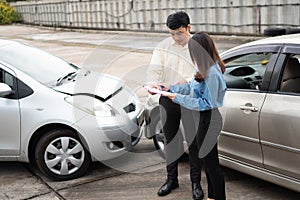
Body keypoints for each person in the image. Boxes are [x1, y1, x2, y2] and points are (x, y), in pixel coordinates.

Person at [160, 32, 227, 200]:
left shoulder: (212, 73)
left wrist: (179, 99)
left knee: (212, 166)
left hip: (209, 119)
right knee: (208, 162)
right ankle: (212, 197)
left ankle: (218, 197)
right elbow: (191, 87)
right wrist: (170, 89)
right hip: (203, 119)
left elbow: (206, 103)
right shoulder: (202, 67)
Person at [146, 11, 204, 199]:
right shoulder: (163, 47)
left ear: (189, 27)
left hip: (190, 99)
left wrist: (184, 84)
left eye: (179, 32)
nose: (176, 37)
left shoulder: (199, 46)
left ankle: (196, 183)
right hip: (167, 99)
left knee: (194, 143)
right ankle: (172, 180)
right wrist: (154, 84)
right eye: (172, 34)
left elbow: (204, 73)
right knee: (170, 141)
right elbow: (155, 70)